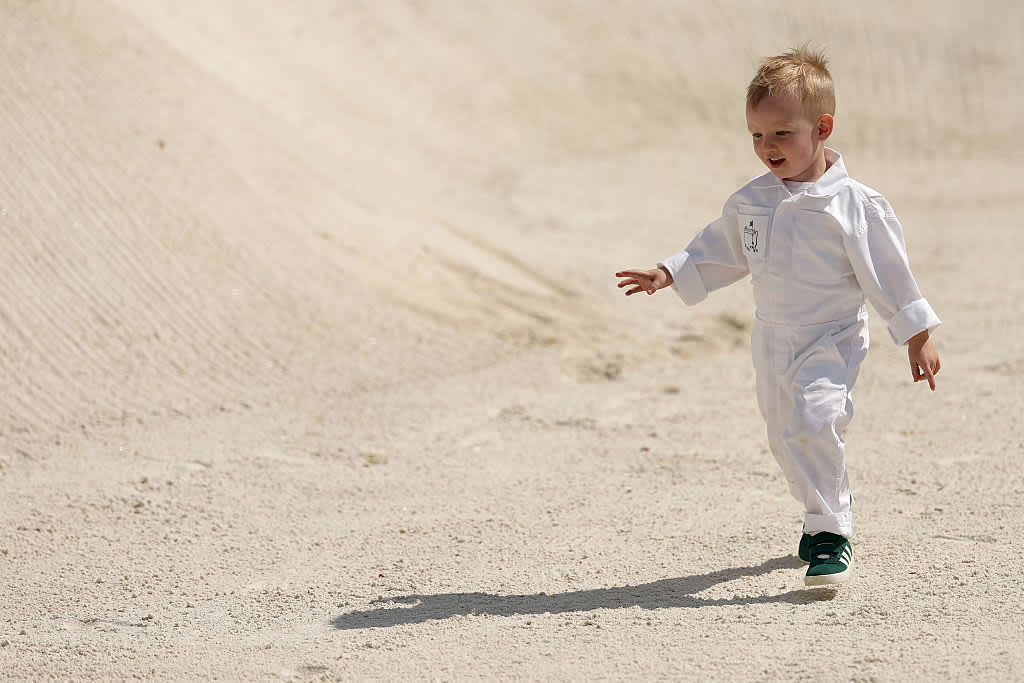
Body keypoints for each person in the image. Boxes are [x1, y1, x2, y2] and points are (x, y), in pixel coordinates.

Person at [615, 46, 941, 586]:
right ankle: (823, 499)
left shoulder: (855, 205)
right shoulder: (753, 201)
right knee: (785, 435)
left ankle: (832, 531)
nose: (767, 148)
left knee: (815, 421)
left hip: (830, 337)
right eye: (757, 136)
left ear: (823, 127)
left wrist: (916, 333)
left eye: (782, 134)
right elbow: (721, 250)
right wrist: (670, 272)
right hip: (770, 339)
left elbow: (888, 271)